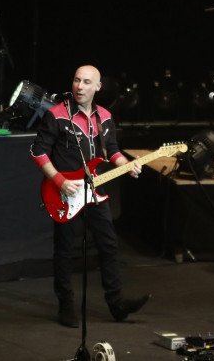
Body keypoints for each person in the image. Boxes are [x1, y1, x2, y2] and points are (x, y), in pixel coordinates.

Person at [30, 65, 151, 327]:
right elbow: (38, 152)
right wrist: (59, 181)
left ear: (98, 87)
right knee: (64, 250)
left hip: (95, 189)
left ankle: (117, 305)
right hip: (64, 192)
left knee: (109, 245)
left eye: (86, 82)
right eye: (76, 80)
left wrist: (127, 165)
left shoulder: (105, 117)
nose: (79, 86)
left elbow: (113, 150)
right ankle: (65, 306)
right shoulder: (57, 114)